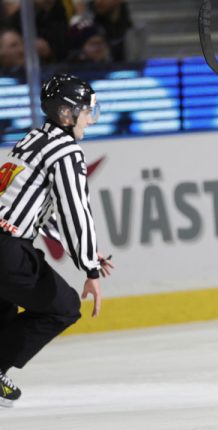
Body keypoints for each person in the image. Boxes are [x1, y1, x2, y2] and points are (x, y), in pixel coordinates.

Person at [0, 73, 113, 408]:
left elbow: (35, 209)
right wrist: (90, 271)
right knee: (63, 307)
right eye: (86, 110)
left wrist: (88, 253)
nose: (90, 119)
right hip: (7, 251)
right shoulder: (66, 152)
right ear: (67, 113)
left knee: (5, 312)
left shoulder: (32, 139)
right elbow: (75, 211)